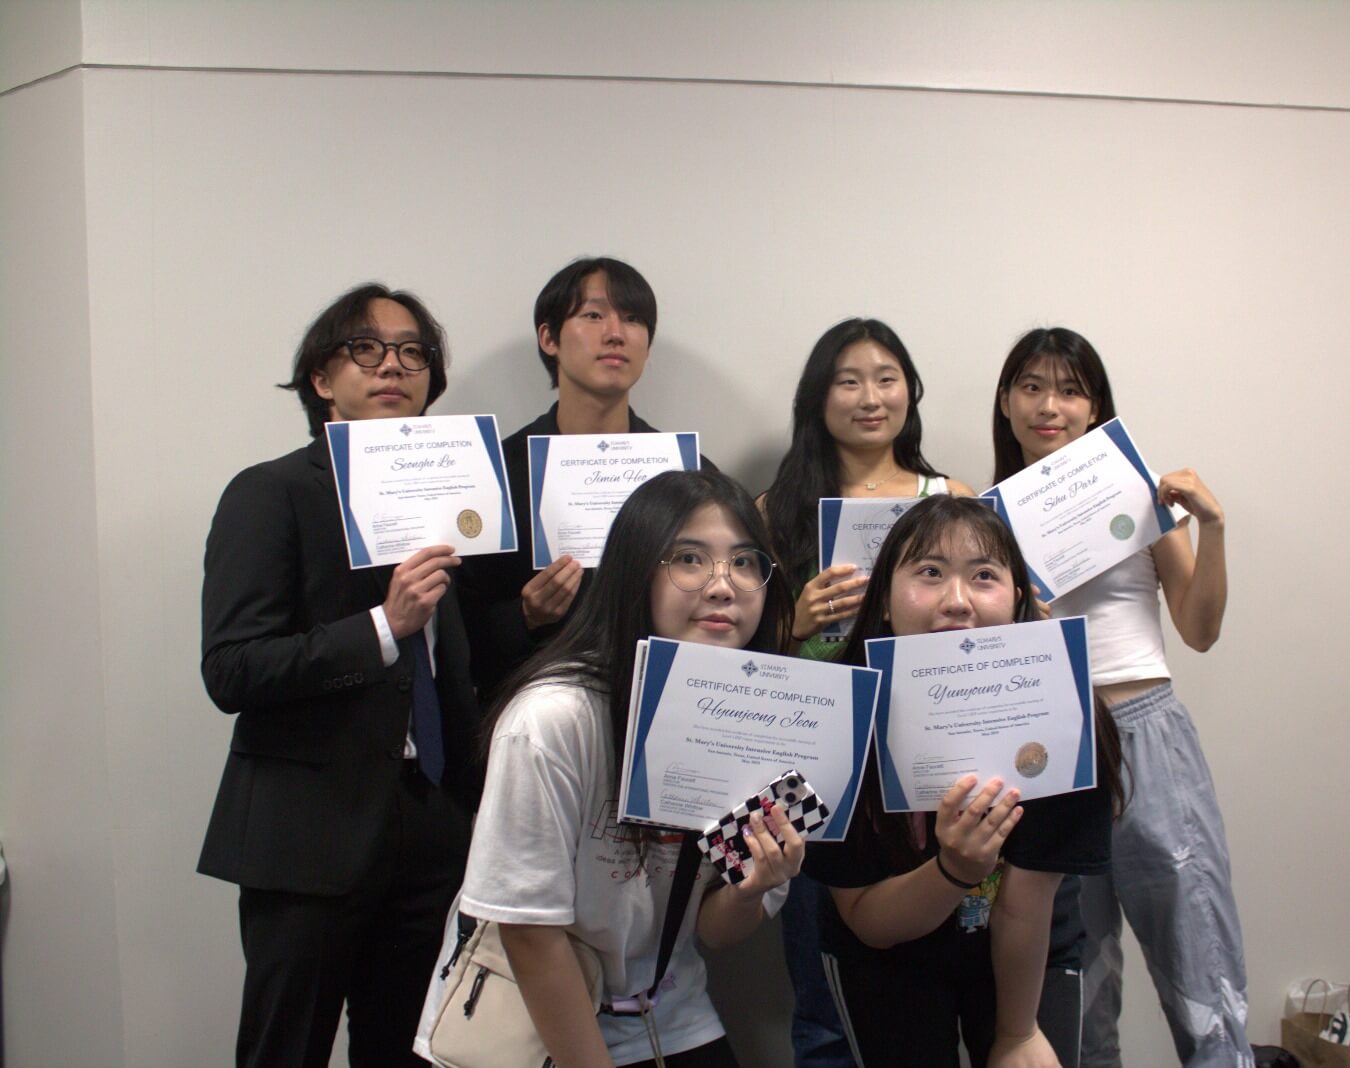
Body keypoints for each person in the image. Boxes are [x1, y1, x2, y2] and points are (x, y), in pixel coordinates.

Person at [418, 470, 803, 1067]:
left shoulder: (766, 724)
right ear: (634, 573)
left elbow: (714, 930)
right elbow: (528, 930)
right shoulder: (552, 718)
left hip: (670, 1012)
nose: (723, 586)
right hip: (525, 1021)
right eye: (689, 558)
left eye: (745, 562)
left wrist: (754, 889)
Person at [198, 284, 482, 1066]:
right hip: (308, 835)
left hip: (430, 829)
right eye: (367, 348)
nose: (393, 365)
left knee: (411, 1052)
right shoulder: (271, 492)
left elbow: (459, 671)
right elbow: (232, 668)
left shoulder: (455, 497)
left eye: (412, 352)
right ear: (322, 380)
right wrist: (383, 628)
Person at [991, 327, 1247, 1067]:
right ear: (1005, 403)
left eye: (1070, 390)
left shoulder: (1132, 492)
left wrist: (1213, 526)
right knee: (1074, 974)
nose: (1050, 406)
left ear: (1094, 405)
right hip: (1048, 750)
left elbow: (1198, 630)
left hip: (1143, 731)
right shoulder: (987, 518)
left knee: (1194, 945)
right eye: (1031, 387)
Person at [803, 495, 1121, 1068]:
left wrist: (1018, 1033)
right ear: (883, 603)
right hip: (888, 957)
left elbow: (1027, 903)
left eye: (984, 576)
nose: (956, 601)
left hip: (1028, 947)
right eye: (929, 572)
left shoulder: (1067, 715)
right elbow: (867, 923)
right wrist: (955, 870)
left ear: (1018, 601)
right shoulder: (834, 721)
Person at [758, 317, 972, 1067]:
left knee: (940, 963)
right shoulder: (772, 510)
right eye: (847, 380)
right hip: (815, 761)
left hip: (928, 753)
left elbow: (996, 630)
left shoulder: (949, 497)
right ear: (817, 397)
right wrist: (793, 624)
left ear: (910, 393)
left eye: (886, 378)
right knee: (821, 990)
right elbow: (736, 662)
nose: (869, 397)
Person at [458, 255, 710, 701]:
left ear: (647, 347)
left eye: (632, 319)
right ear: (549, 337)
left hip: (666, 706)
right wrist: (525, 615)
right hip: (531, 711)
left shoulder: (688, 475)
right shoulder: (493, 473)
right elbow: (456, 629)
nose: (615, 333)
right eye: (593, 315)